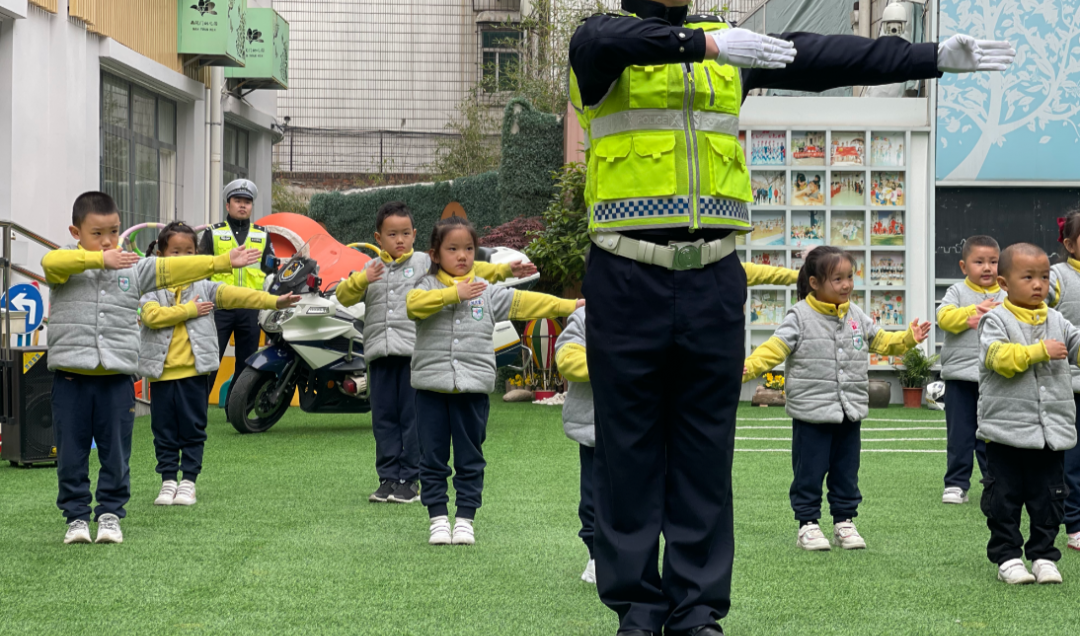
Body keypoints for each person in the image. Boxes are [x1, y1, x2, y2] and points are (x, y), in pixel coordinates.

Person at [568, 0, 1013, 636]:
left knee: (706, 447)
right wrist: (707, 46)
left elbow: (827, 56)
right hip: (627, 277)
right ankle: (637, 610)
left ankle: (697, 608)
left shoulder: (723, 53)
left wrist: (932, 57)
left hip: (710, 277)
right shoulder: (603, 48)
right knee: (630, 448)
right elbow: (605, 42)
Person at [555, 262, 800, 585]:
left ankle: (672, 570)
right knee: (597, 498)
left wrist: (799, 274)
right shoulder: (585, 318)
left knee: (660, 492)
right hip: (596, 431)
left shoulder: (661, 311)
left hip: (652, 426)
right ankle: (596, 554)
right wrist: (612, 363)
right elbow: (567, 358)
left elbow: (749, 270)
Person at [42, 192, 261, 545]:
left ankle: (110, 515)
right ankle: (77, 518)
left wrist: (221, 262)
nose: (108, 241)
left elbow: (173, 267)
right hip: (70, 380)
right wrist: (94, 260)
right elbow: (51, 261)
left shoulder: (134, 268)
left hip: (116, 381)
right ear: (76, 231)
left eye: (113, 231)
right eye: (96, 233)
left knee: (116, 453)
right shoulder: (65, 266)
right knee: (71, 453)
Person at [335, 201, 536, 505]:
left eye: (405, 233)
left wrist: (504, 270)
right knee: (384, 419)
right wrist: (363, 279)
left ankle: (409, 480)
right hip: (378, 356)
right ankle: (388, 478)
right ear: (378, 238)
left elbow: (471, 267)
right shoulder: (370, 268)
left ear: (415, 234)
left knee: (410, 419)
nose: (399, 240)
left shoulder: (422, 264)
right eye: (392, 234)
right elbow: (344, 296)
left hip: (414, 357)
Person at [405, 216, 582, 547]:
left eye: (469, 249)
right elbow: (413, 306)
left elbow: (527, 302)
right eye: (453, 249)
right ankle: (438, 519)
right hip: (430, 389)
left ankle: (466, 519)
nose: (462, 256)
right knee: (432, 457)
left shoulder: (486, 292)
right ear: (435, 254)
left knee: (470, 457)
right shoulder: (426, 287)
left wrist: (569, 305)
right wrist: (452, 294)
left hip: (473, 391)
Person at [742, 247, 929, 551]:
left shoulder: (855, 314)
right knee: (809, 471)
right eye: (837, 279)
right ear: (814, 282)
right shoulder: (799, 315)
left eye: (849, 277)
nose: (847, 285)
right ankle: (808, 524)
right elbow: (773, 349)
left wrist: (908, 337)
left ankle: (844, 521)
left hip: (849, 410)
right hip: (812, 412)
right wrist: (747, 368)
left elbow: (880, 340)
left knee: (846, 470)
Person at [138, 222, 301, 508]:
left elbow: (241, 295)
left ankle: (188, 481)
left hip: (195, 373)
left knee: (193, 428)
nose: (182, 257)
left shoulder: (205, 286)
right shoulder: (151, 286)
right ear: (161, 255)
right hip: (161, 374)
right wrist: (190, 310)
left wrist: (274, 301)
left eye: (189, 251)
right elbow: (152, 317)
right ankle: (167, 481)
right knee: (163, 430)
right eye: (175, 251)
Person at [976, 243, 1080, 585]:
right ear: (1004, 283)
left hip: (1050, 435)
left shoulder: (1056, 319)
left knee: (1049, 499)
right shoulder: (995, 320)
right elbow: (999, 359)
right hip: (1006, 434)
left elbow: (1076, 346)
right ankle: (1007, 556)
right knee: (1003, 499)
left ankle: (1043, 556)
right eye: (1028, 277)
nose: (1039, 285)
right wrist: (1039, 351)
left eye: (1045, 277)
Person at [936, 235, 1004, 504]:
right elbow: (944, 318)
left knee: (993, 435)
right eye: (979, 262)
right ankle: (956, 484)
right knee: (960, 435)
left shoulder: (1007, 293)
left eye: (994, 262)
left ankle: (995, 483)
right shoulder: (957, 291)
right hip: (961, 378)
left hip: (997, 379)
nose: (987, 268)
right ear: (964, 266)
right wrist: (971, 313)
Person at [198, 179, 277, 403]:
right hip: (219, 307)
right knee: (211, 360)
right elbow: (202, 269)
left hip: (250, 308)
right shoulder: (212, 233)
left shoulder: (262, 235)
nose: (242, 206)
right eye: (238, 201)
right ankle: (197, 408)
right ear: (228, 205)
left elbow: (270, 269)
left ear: (251, 206)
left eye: (247, 202)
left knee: (246, 363)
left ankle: (238, 410)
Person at [1047, 210, 1080, 553]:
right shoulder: (1057, 276)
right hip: (1068, 384)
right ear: (1069, 244)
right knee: (1072, 459)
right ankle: (1074, 523)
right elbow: (1035, 312)